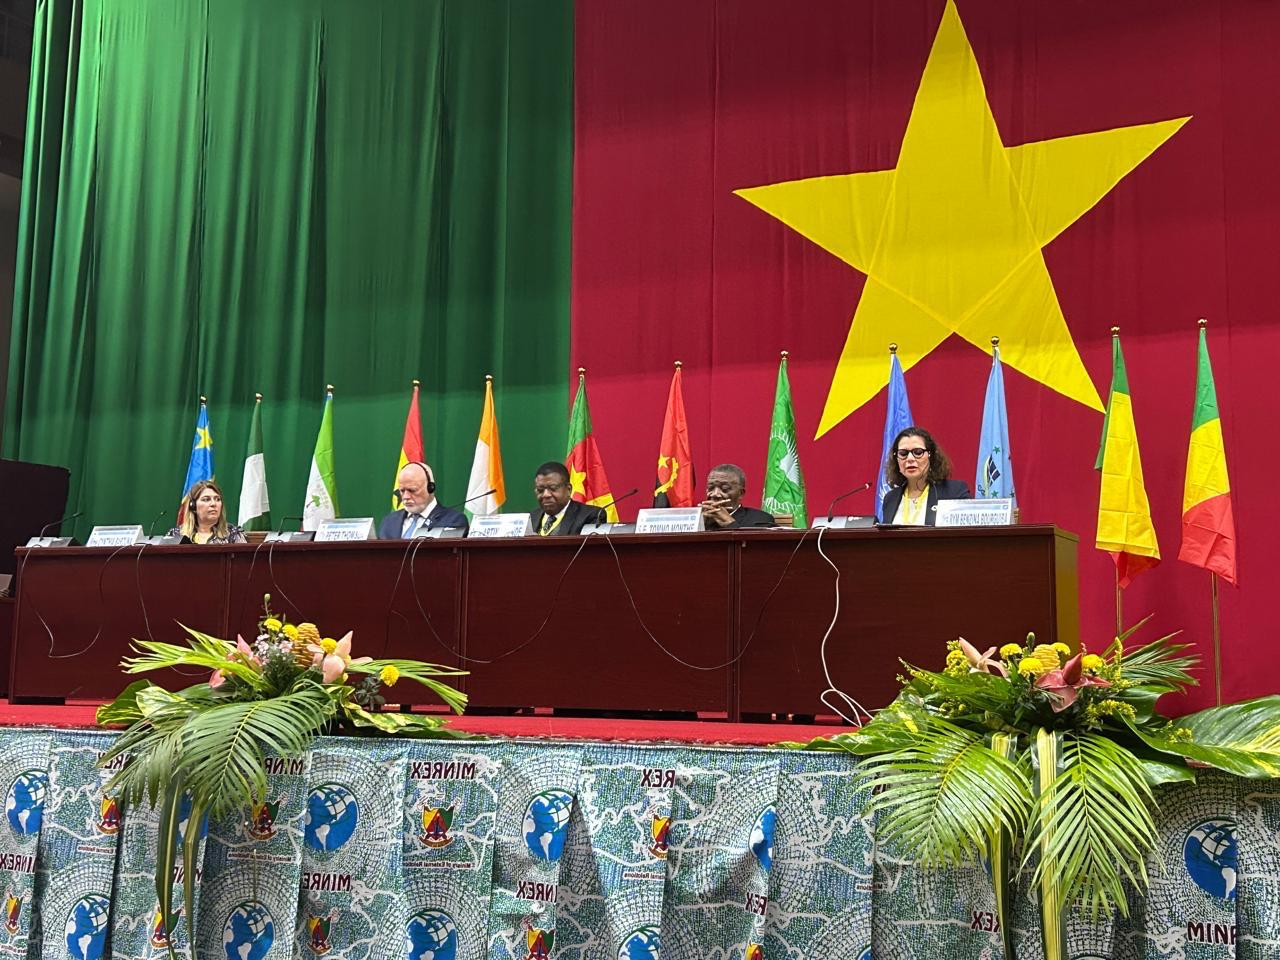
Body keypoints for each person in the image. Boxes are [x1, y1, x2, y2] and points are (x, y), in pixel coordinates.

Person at [880, 426, 971, 526]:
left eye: (918, 452)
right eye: (903, 453)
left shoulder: (954, 492)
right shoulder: (890, 498)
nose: (910, 458)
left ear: (931, 456)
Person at [379, 462, 469, 539]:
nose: (406, 497)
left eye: (412, 490)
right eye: (402, 491)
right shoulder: (389, 522)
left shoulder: (453, 521)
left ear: (430, 488)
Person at [530, 462, 603, 536]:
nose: (546, 495)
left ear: (568, 489)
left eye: (553, 488)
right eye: (540, 490)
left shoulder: (591, 516)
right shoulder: (531, 518)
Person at [699, 464, 775, 529]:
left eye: (725, 488)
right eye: (711, 488)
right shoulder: (699, 518)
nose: (715, 494)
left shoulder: (761, 519)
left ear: (740, 493)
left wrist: (731, 524)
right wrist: (699, 524)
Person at [170, 480, 247, 543]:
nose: (213, 504)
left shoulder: (233, 534)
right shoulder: (176, 534)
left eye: (217, 499)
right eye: (206, 499)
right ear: (193, 506)